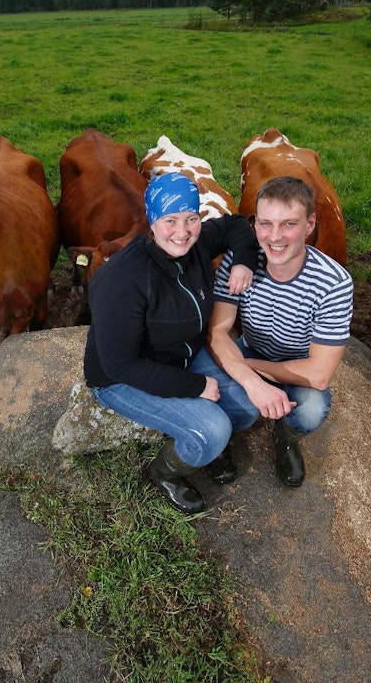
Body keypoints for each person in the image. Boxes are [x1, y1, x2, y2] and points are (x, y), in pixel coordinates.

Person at [83, 172, 259, 514]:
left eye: (191, 218)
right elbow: (121, 364)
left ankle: (203, 438)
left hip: (183, 353)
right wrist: (195, 386)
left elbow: (237, 225)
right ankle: (165, 472)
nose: (182, 232)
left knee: (248, 407)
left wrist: (243, 260)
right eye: (170, 220)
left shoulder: (199, 242)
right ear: (152, 220)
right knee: (213, 430)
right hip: (121, 379)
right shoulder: (121, 279)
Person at [201, 175, 353, 487]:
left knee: (311, 410)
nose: (275, 236)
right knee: (207, 383)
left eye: (289, 224)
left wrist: (252, 370)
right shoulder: (239, 261)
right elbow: (218, 331)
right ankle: (217, 441)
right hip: (251, 346)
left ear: (310, 225)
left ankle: (286, 438)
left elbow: (320, 374)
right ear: (255, 225)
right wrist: (247, 374)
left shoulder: (334, 283)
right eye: (266, 224)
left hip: (299, 362)